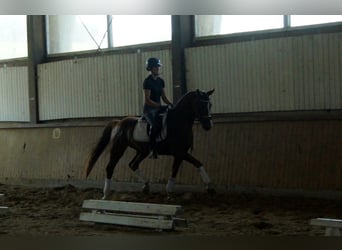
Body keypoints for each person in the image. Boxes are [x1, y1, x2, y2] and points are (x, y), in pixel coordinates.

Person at [143, 57, 173, 159]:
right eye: (156, 67)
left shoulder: (161, 81)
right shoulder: (147, 82)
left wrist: (171, 104)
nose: (157, 69)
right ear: (151, 68)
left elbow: (164, 97)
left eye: (158, 67)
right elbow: (147, 100)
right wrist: (158, 105)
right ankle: (152, 150)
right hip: (149, 109)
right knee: (155, 125)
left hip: (158, 108)